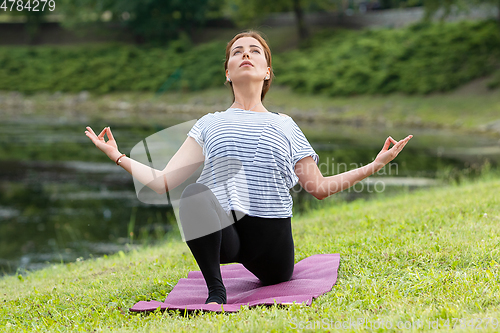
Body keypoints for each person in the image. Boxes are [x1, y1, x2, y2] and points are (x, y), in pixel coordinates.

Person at [85, 30, 413, 305]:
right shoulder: (209, 124)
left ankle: (233, 280)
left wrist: (374, 165)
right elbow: (163, 182)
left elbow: (319, 188)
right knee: (193, 193)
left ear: (267, 71)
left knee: (269, 259)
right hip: (228, 237)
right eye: (237, 52)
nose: (246, 55)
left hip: (271, 243)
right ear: (227, 72)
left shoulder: (285, 125)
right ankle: (216, 291)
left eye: (255, 51)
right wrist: (118, 155)